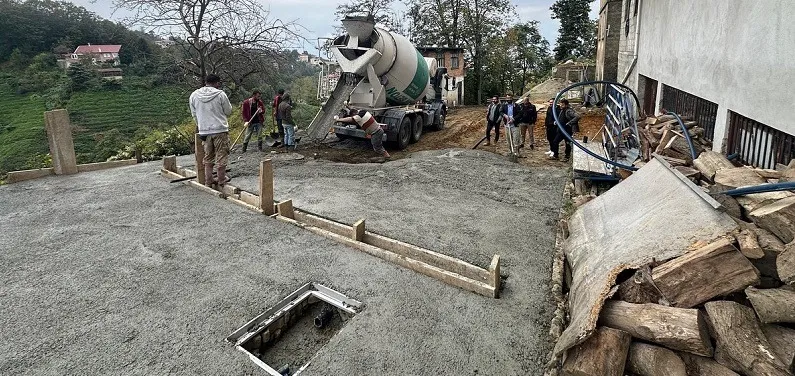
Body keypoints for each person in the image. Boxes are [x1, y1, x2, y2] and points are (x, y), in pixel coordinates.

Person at [189, 73, 232, 187]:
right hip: (220, 130)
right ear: (217, 83)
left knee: (208, 156)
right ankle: (221, 179)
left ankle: (208, 181)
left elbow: (194, 114)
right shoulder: (221, 94)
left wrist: (201, 125)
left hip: (204, 131)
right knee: (221, 155)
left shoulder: (194, 95)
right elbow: (228, 111)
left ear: (205, 82)